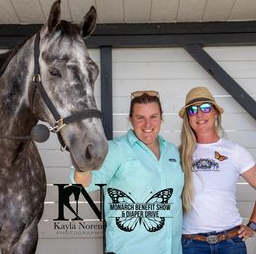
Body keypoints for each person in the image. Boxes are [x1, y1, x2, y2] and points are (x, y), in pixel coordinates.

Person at [72, 90, 184, 254]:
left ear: (161, 118)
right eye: (140, 118)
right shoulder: (116, 150)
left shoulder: (172, 152)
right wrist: (81, 161)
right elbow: (85, 184)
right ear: (131, 119)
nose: (148, 124)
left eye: (153, 116)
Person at [178, 87, 256, 254]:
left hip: (230, 243)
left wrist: (253, 226)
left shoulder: (234, 151)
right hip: (192, 245)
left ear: (215, 112)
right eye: (193, 110)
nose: (199, 114)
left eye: (205, 107)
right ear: (188, 118)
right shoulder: (178, 154)